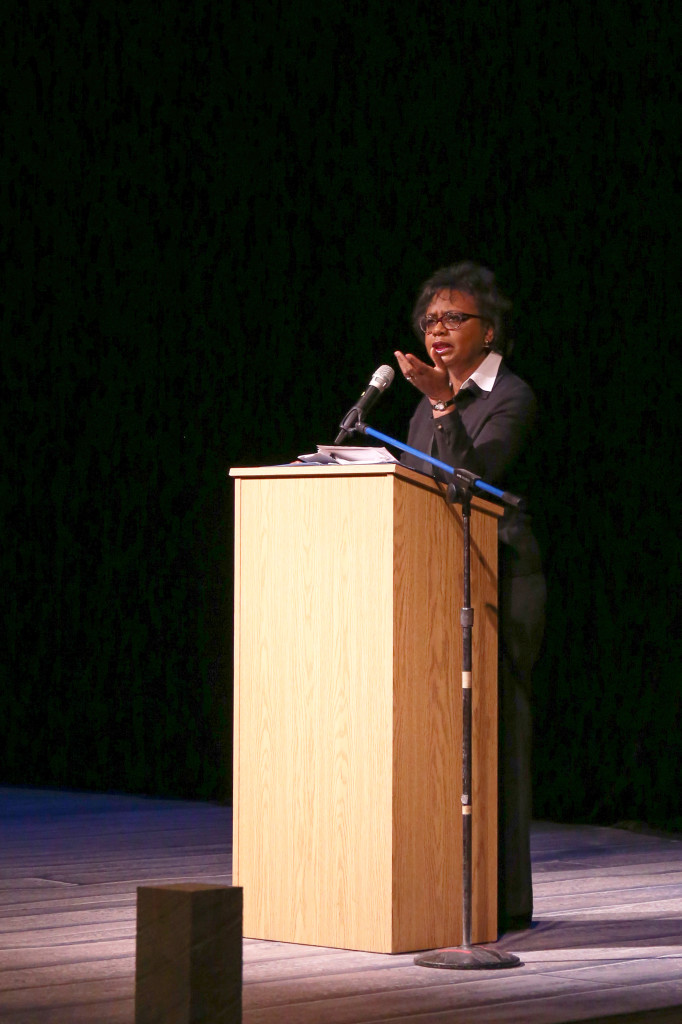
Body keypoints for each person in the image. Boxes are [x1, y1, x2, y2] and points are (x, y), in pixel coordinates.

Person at [395, 261, 546, 934]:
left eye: (455, 318)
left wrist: (444, 405)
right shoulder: (429, 401)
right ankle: (448, 892)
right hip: (434, 578)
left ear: (490, 329)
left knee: (496, 739)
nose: (440, 331)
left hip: (501, 581)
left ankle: (503, 900)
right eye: (431, 321)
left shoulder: (511, 396)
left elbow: (474, 481)